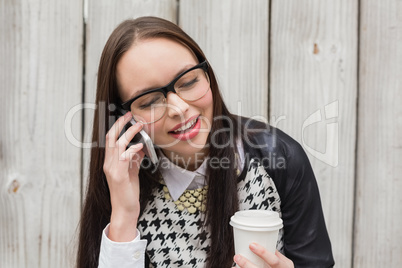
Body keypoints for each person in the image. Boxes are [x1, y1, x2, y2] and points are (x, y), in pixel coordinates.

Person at [76, 16, 334, 268]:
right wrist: (123, 216)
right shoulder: (123, 182)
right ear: (125, 118)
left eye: (188, 81)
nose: (178, 108)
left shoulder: (279, 159)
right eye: (149, 101)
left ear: (207, 75)